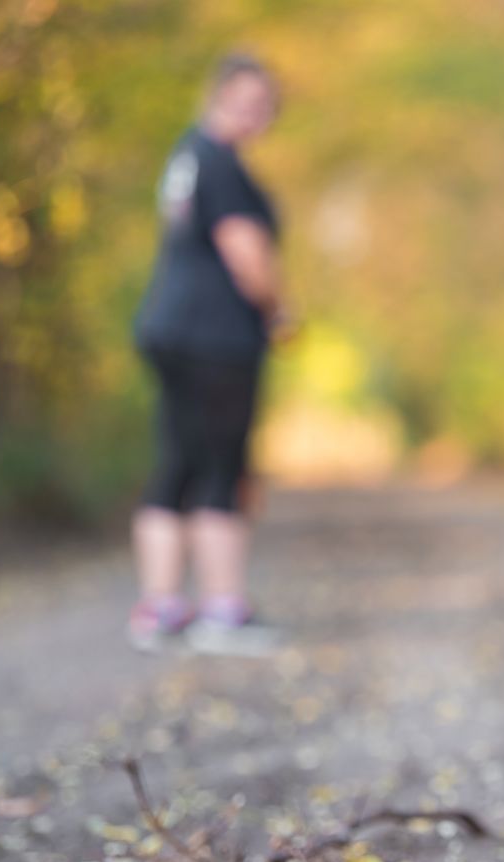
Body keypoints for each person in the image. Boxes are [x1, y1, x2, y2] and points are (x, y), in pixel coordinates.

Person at [128, 53, 285, 655]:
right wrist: (278, 311)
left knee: (177, 465)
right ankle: (222, 610)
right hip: (215, 337)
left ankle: (161, 607)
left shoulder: (187, 156)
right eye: (245, 99)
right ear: (216, 95)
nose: (254, 113)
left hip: (169, 328)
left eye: (263, 104)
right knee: (222, 469)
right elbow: (243, 250)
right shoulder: (220, 163)